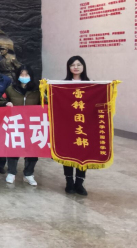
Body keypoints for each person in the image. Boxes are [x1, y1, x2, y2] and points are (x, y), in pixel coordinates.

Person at [3, 65, 40, 186]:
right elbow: (1, 101)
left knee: (32, 149)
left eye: (26, 74)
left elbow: (45, 103)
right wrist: (6, 103)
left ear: (31, 76)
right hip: (16, 123)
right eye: (21, 74)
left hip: (32, 124)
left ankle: (29, 174)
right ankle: (11, 172)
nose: (24, 77)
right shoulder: (11, 89)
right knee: (14, 147)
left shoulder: (38, 90)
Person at [62, 56, 90, 196]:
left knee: (82, 154)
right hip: (68, 125)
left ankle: (79, 183)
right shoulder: (62, 84)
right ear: (69, 67)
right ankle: (69, 182)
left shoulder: (91, 84)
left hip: (84, 126)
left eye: (79, 64)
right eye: (72, 65)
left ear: (83, 67)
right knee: (68, 154)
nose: (76, 67)